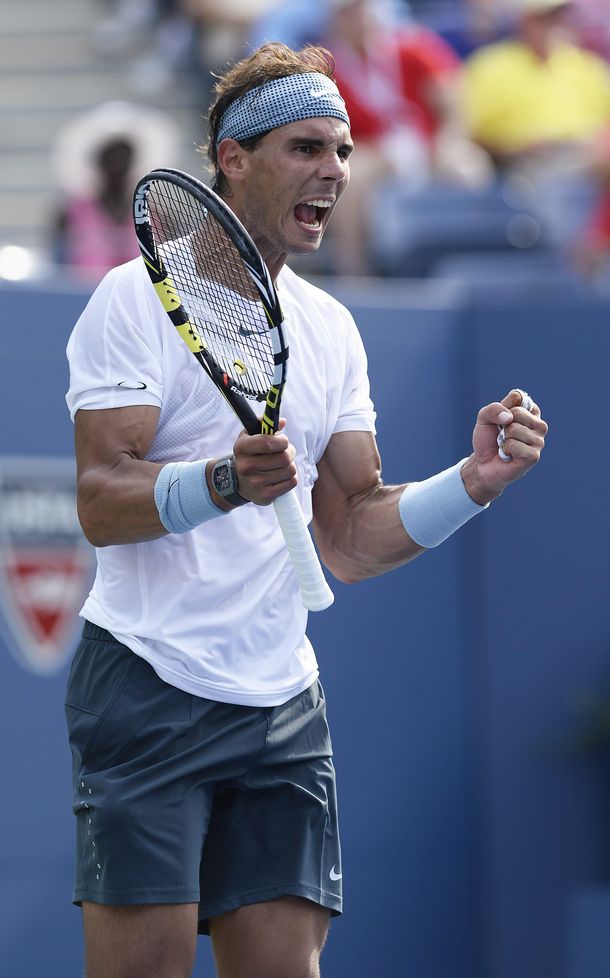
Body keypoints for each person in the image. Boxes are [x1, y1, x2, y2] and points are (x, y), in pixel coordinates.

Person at [64, 41, 548, 978]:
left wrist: (472, 481)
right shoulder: (129, 303)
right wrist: (219, 482)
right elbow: (98, 498)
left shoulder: (331, 327)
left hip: (282, 702)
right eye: (304, 148)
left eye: (344, 151)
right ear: (233, 160)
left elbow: (354, 536)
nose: (333, 170)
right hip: (146, 680)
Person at [321, 0, 493, 275]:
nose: (360, 18)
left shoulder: (412, 47)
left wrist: (449, 138)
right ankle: (355, 275)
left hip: (427, 144)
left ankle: (478, 265)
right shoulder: (330, 67)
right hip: (372, 150)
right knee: (349, 177)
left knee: (469, 167)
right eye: (350, 12)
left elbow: (450, 99)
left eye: (363, 9)